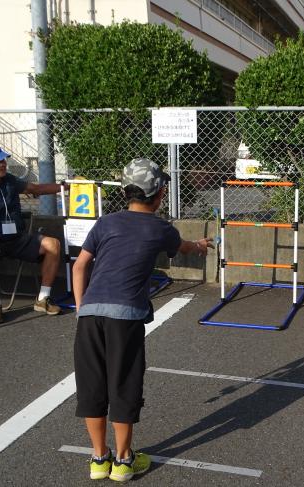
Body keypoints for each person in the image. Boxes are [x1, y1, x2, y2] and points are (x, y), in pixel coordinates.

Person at [72, 158, 213, 481]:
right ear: (160, 194)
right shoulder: (160, 228)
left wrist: (82, 309)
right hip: (126, 317)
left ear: (125, 191)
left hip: (90, 314)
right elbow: (186, 247)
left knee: (92, 386)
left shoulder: (105, 223)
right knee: (123, 384)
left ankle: (98, 458)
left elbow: (80, 267)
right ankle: (123, 461)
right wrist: (201, 245)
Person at [0, 140, 63, 324]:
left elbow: (36, 189)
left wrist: (66, 186)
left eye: (3, 160)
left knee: (52, 244)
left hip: (16, 239)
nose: (3, 164)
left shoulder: (10, 181)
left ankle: (43, 299)